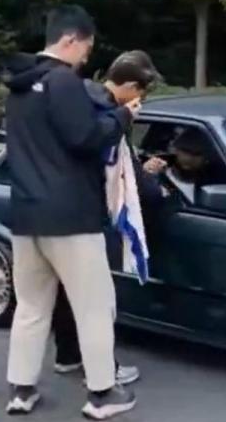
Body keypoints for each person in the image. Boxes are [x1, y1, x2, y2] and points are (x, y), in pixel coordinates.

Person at [3, 4, 143, 420]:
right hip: (70, 215)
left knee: (30, 307)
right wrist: (122, 116)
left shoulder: (18, 86)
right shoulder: (63, 82)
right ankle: (102, 394)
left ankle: (20, 389)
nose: (87, 57)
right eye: (86, 47)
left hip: (26, 214)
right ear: (69, 39)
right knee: (94, 306)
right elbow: (85, 137)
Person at [51, 50, 165, 385]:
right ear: (129, 86)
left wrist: (138, 170)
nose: (141, 100)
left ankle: (67, 355)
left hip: (60, 208)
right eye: (142, 92)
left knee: (65, 292)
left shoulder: (80, 97)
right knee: (96, 298)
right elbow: (113, 167)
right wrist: (154, 185)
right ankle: (104, 372)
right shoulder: (111, 113)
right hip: (88, 214)